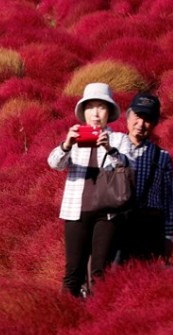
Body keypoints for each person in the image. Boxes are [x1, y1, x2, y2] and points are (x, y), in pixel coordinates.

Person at [47, 82, 130, 297]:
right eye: (90, 107)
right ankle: (66, 315)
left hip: (108, 212)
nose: (95, 113)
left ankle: (97, 319)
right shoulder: (74, 139)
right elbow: (54, 164)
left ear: (109, 112)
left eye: (101, 107)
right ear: (83, 112)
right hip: (76, 211)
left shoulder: (119, 139)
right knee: (73, 271)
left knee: (100, 273)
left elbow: (129, 166)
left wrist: (109, 148)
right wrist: (66, 144)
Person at [116, 92, 173, 264]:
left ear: (155, 124)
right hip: (117, 224)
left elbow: (169, 199)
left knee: (144, 275)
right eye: (137, 117)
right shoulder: (113, 148)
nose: (141, 124)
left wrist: (169, 236)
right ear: (128, 117)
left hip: (150, 227)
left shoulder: (163, 157)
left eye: (148, 119)